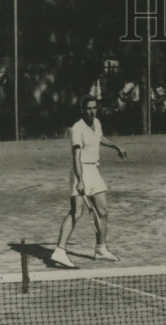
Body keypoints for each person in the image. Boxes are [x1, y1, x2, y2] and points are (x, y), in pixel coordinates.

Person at [51, 94, 128, 268]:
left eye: (94, 107)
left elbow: (99, 138)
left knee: (103, 210)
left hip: (94, 170)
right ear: (82, 110)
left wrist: (116, 146)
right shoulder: (76, 129)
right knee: (76, 212)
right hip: (81, 171)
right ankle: (60, 251)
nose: (92, 111)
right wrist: (79, 180)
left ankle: (101, 249)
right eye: (88, 108)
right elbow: (76, 157)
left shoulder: (97, 123)